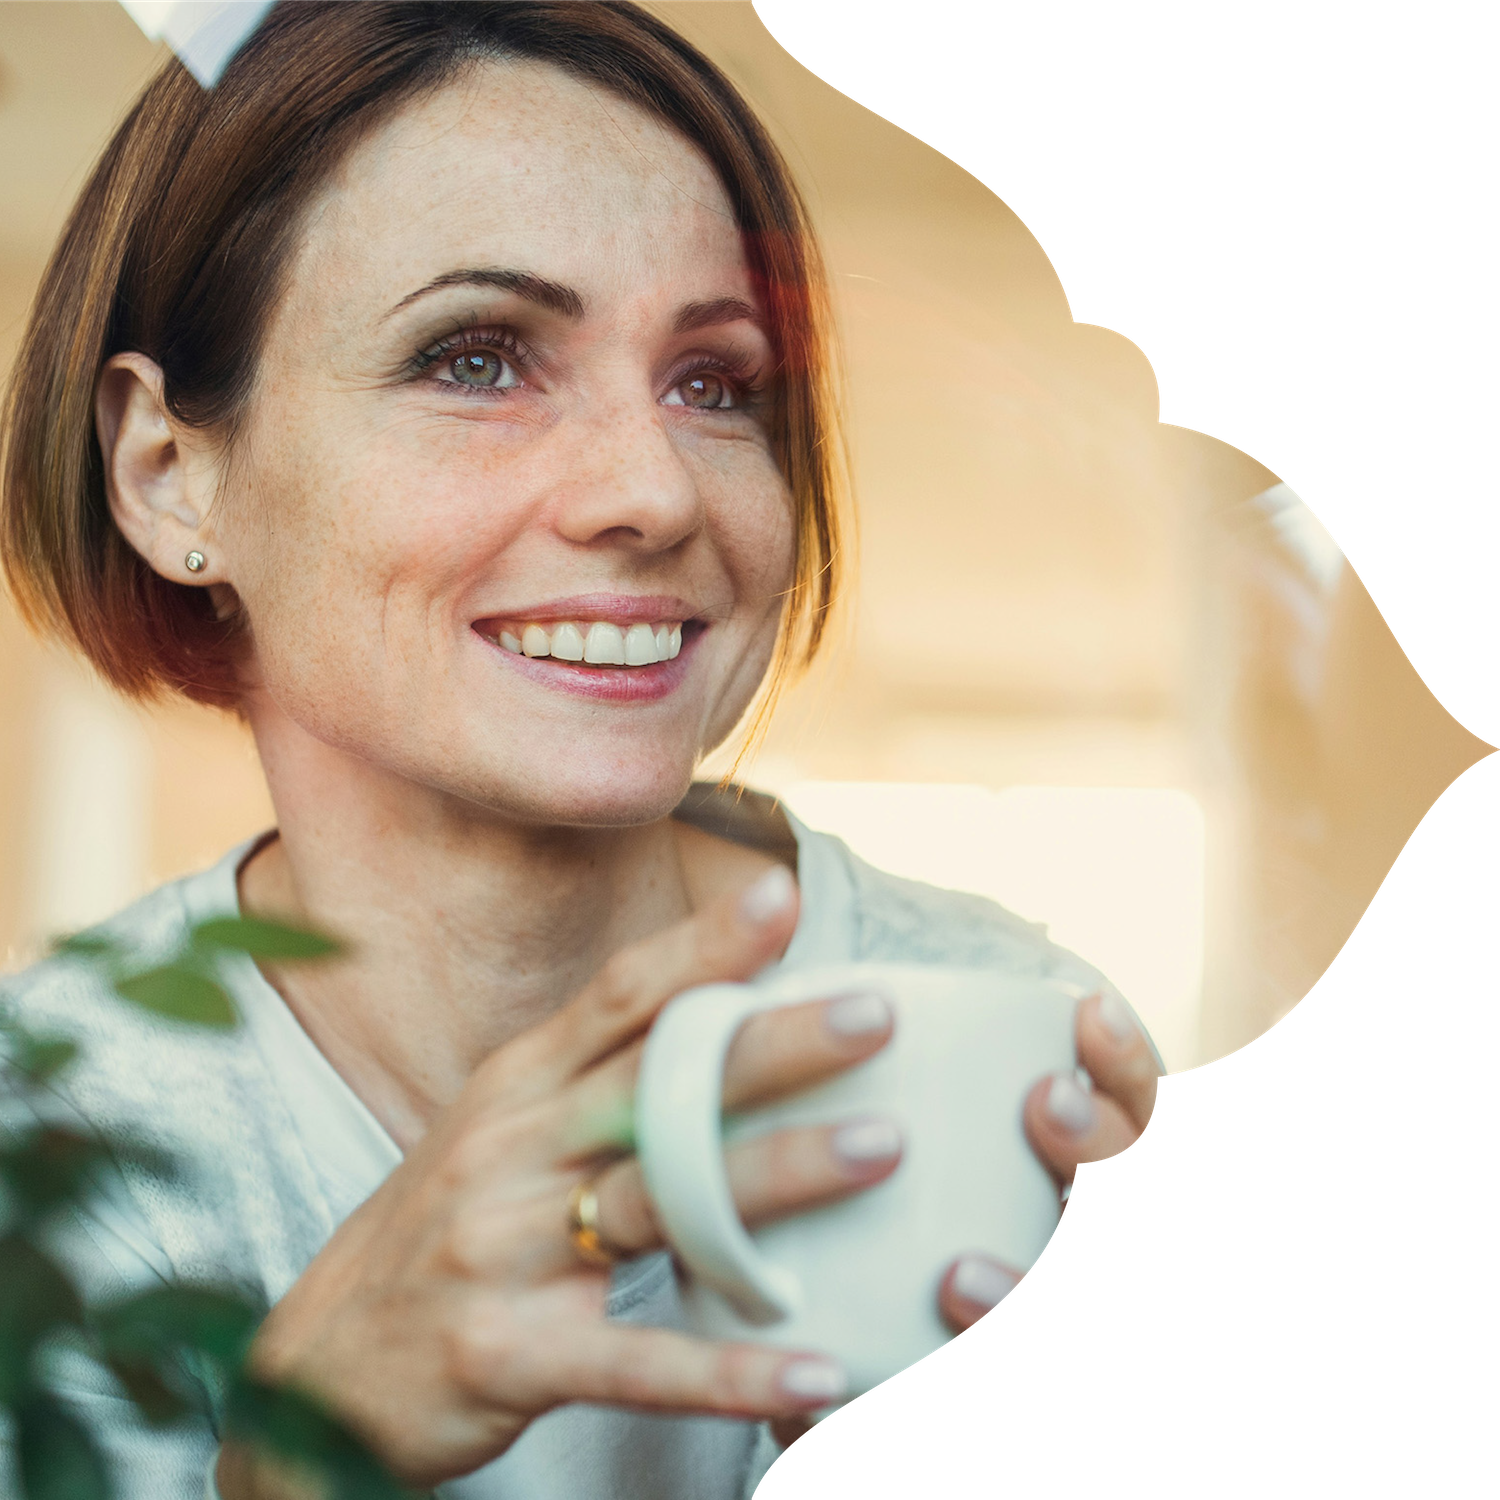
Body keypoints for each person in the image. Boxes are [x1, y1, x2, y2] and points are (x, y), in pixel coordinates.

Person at [0, 2, 1163, 1495]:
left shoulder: (1027, 1038)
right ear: (169, 477)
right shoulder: (49, 1160)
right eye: (476, 360)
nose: (652, 490)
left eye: (715, 383)